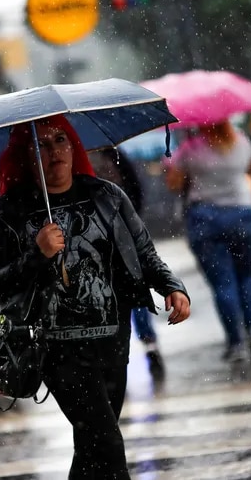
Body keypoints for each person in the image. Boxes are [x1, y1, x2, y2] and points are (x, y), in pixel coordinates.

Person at [0, 115, 191, 479]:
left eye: (60, 140)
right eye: (41, 145)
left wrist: (172, 286)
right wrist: (36, 255)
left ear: (73, 145)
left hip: (112, 341)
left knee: (92, 448)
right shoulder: (9, 213)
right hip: (57, 350)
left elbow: (144, 252)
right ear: (26, 156)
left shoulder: (106, 196)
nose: (53, 151)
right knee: (108, 444)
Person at [164, 121, 251, 363]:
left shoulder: (190, 149)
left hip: (206, 219)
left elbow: (174, 184)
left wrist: (175, 166)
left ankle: (236, 343)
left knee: (223, 283)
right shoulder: (241, 142)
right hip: (241, 213)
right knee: (246, 277)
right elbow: (250, 169)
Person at [89, 148, 165, 380]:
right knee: (132, 289)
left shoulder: (77, 159)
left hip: (98, 237)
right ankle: (146, 344)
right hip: (116, 234)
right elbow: (134, 189)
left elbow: (132, 188)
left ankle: (119, 352)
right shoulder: (111, 152)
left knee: (109, 294)